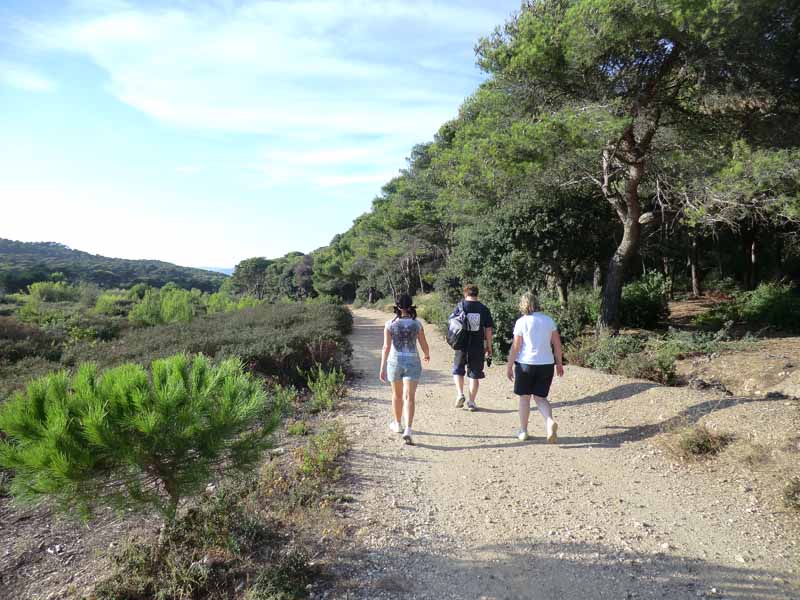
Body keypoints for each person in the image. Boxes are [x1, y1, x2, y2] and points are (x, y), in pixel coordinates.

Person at [505, 291, 564, 442]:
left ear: (523, 304)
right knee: (541, 398)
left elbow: (516, 346)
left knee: (525, 398)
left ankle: (523, 430)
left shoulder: (521, 322)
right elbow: (557, 345)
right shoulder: (548, 320)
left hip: (526, 364)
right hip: (546, 364)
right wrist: (559, 363)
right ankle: (549, 421)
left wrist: (509, 365)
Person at [379, 294, 430, 445]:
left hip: (395, 362)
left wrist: (382, 367)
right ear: (410, 305)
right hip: (413, 361)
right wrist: (427, 354)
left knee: (397, 395)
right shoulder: (417, 324)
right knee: (410, 397)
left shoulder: (390, 324)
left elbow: (386, 347)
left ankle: (397, 424)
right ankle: (408, 429)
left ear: (397, 306)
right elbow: (423, 342)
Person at [451, 284, 494, 411]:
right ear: (477, 294)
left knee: (458, 370)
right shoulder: (483, 309)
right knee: (474, 374)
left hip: (461, 345)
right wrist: (489, 347)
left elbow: (452, 324)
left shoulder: (460, 306)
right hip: (477, 346)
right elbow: (488, 330)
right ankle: (471, 402)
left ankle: (460, 394)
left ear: (465, 294)